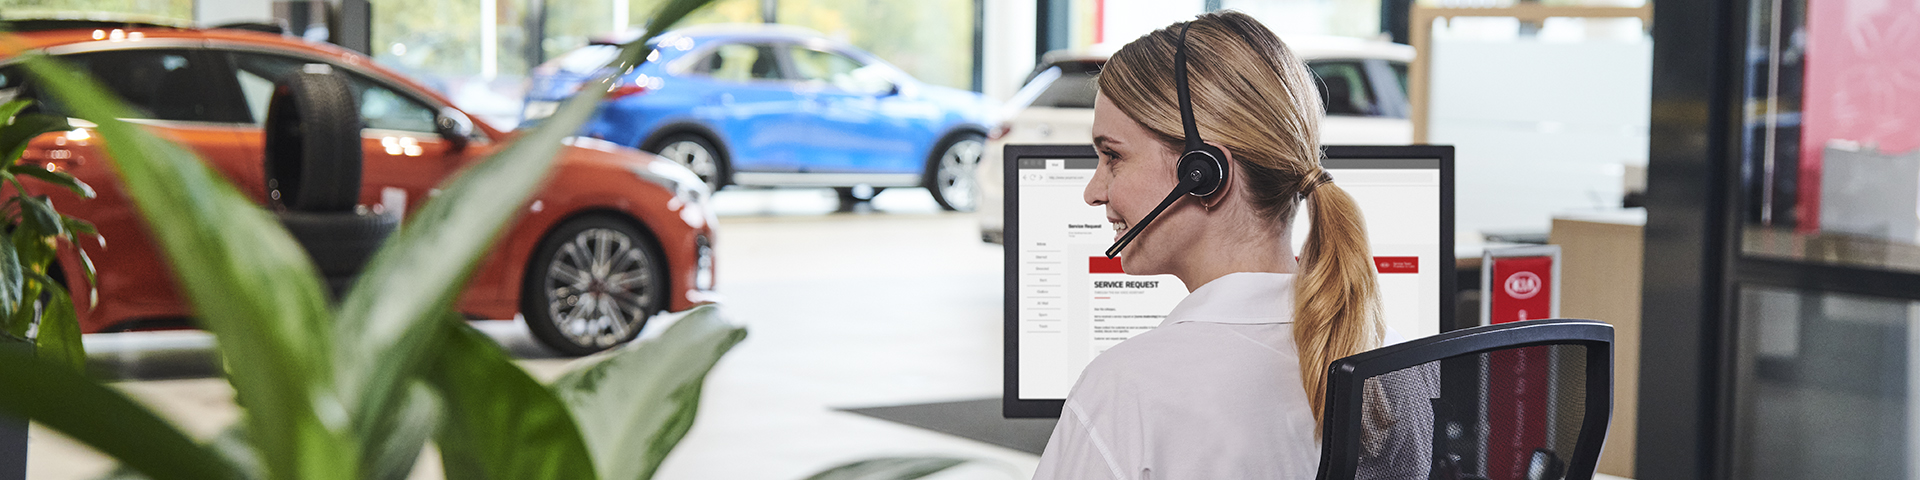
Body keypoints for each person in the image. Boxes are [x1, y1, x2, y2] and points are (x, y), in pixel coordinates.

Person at [1032, 11, 1394, 480]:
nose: (1093, 191)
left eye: (1113, 157)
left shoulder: (1130, 389)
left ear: (1202, 174)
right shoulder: (1386, 367)